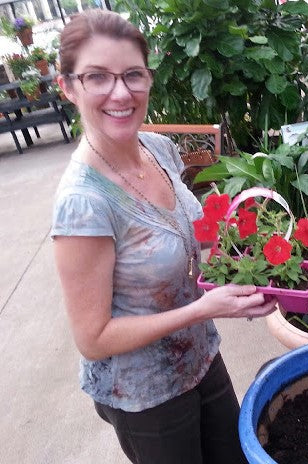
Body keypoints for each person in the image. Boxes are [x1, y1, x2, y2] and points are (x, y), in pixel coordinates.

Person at [51, 9, 277, 464]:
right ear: (68, 86)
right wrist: (203, 308)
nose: (121, 92)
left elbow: (186, 238)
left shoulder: (157, 148)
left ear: (149, 79)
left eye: (133, 74)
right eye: (98, 77)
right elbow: (93, 338)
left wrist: (250, 263)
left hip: (199, 356)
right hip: (144, 394)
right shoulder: (83, 203)